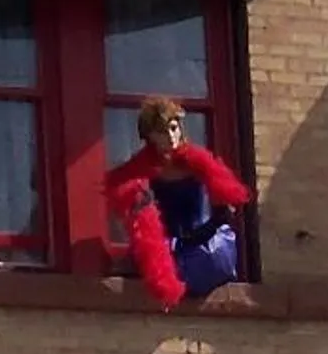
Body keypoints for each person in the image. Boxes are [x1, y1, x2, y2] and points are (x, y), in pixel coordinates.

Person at [103, 97, 252, 307]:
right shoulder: (138, 172)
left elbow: (226, 207)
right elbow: (140, 222)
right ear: (150, 136)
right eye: (163, 131)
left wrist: (203, 232)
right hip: (166, 248)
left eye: (174, 128)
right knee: (149, 266)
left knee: (210, 259)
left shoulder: (198, 161)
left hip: (204, 245)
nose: (171, 136)